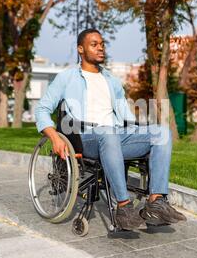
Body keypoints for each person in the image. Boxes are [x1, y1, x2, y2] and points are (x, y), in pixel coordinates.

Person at [35, 28, 186, 230]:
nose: (100, 48)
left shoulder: (112, 81)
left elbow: (126, 116)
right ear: (80, 49)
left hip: (115, 136)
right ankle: (123, 207)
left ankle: (155, 203)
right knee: (108, 133)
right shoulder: (67, 78)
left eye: (102, 44)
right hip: (85, 137)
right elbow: (42, 109)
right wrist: (54, 137)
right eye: (94, 44)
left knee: (161, 132)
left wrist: (139, 131)